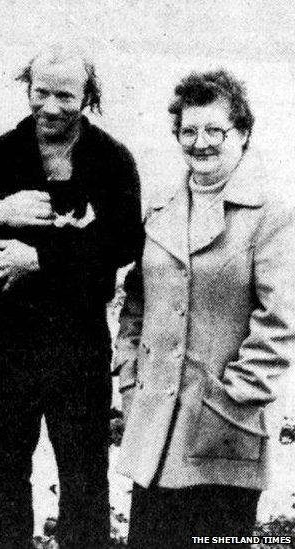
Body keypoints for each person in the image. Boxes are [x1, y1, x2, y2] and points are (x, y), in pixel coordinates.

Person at [114, 69, 295, 549]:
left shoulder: (271, 217)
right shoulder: (159, 210)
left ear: (243, 134)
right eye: (188, 131)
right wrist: (130, 378)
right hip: (154, 428)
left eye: (215, 130)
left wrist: (232, 398)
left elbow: (281, 321)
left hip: (225, 433)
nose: (201, 143)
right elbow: (135, 304)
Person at [0, 45, 143, 549]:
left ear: (88, 97)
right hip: (13, 338)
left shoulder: (112, 160)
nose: (50, 106)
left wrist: (40, 260)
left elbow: (122, 243)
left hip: (81, 339)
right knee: (2, 468)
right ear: (27, 88)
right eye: (40, 92)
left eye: (65, 95)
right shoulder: (1, 155)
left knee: (84, 472)